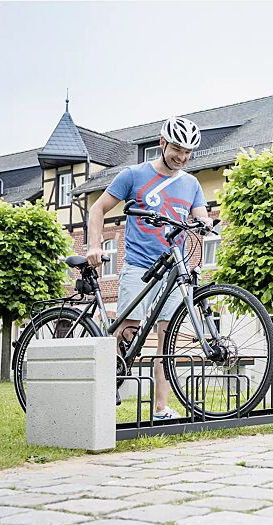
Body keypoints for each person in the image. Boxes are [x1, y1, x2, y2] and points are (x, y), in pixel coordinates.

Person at [86, 116, 211, 420]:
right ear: (162, 143)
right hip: (140, 266)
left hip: (173, 270)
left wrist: (205, 223)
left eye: (188, 153)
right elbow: (97, 208)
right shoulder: (133, 175)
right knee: (127, 330)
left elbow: (201, 214)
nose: (182, 157)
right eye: (177, 149)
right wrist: (94, 245)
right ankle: (107, 386)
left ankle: (161, 408)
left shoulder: (191, 183)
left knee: (166, 339)